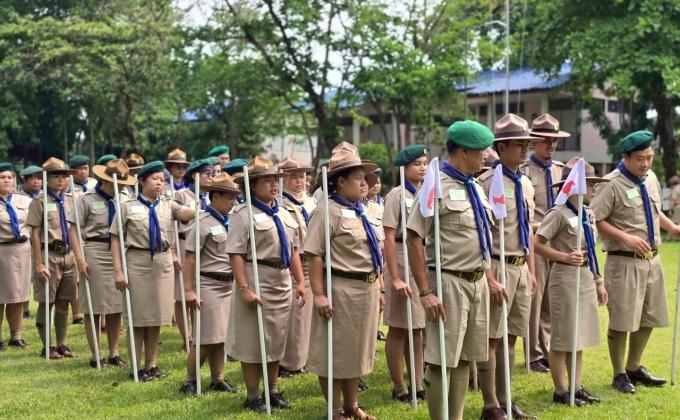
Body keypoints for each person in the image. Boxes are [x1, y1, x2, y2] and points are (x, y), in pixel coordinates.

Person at [406, 121, 496, 420]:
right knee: (441, 359)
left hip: (477, 282)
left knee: (465, 358)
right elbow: (414, 237)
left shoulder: (476, 187)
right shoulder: (436, 186)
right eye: (481, 150)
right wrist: (425, 292)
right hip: (449, 282)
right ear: (464, 151)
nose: (486, 155)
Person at [590, 130, 680, 393]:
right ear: (625, 157)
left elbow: (655, 211)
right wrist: (625, 238)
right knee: (622, 320)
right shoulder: (611, 184)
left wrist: (672, 227)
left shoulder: (650, 178)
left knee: (649, 317)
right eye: (640, 159)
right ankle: (619, 373)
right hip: (624, 261)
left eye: (649, 158)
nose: (645, 164)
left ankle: (633, 366)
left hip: (653, 260)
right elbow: (595, 219)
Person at [304, 147, 383, 420]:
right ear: (340, 181)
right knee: (334, 351)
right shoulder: (328, 211)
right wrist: (319, 294)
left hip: (366, 288)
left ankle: (352, 405)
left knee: (356, 351)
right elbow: (314, 254)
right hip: (340, 288)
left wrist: (379, 287)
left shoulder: (364, 211)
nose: (365, 183)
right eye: (359, 178)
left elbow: (374, 252)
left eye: (365, 178)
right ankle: (335, 409)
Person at [226, 156, 306, 413]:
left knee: (277, 340)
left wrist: (300, 281)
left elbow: (294, 250)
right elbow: (236, 254)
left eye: (275, 180)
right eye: (267, 181)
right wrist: (244, 288)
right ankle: (253, 395)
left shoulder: (283, 212)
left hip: (281, 280)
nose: (274, 185)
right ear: (253, 185)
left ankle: (272, 390)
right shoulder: (243, 214)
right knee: (253, 340)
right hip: (256, 277)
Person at [477, 114, 540, 420]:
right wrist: (489, 277)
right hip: (497, 264)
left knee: (511, 336)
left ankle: (507, 400)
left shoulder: (525, 183)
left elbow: (528, 229)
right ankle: (490, 405)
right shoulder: (487, 183)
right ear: (501, 148)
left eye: (527, 144)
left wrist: (531, 270)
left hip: (520, 266)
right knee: (492, 338)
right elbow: (480, 233)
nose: (525, 149)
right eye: (519, 144)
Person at [109, 161, 195, 381]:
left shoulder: (168, 204)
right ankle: (135, 366)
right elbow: (116, 239)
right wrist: (118, 271)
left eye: (162, 180)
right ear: (142, 181)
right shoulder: (127, 206)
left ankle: (151, 364)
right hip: (137, 262)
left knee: (156, 317)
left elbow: (185, 213)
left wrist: (199, 206)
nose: (159, 183)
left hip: (162, 263)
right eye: (155, 179)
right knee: (138, 318)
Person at [534, 158, 608, 405]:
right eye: (590, 184)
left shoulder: (588, 213)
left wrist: (598, 281)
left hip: (585, 276)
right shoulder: (558, 213)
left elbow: (592, 251)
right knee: (563, 337)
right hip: (564, 277)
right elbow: (537, 244)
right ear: (576, 186)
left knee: (578, 335)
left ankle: (576, 387)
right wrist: (563, 256)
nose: (594, 188)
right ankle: (560, 390)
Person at [69, 159, 137, 369]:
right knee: (95, 306)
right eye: (118, 183)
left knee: (116, 306)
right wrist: (80, 259)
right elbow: (74, 229)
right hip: (95, 252)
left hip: (119, 253)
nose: (122, 187)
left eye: (124, 184)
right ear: (105, 180)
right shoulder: (86, 199)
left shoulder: (125, 198)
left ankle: (114, 352)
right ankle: (95, 354)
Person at [180, 173, 241, 395]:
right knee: (206, 337)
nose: (233, 202)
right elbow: (190, 257)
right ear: (215, 197)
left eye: (235, 197)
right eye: (229, 197)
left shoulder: (232, 220)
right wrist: (189, 290)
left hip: (228, 285)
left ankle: (218, 378)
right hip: (209, 283)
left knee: (222, 337)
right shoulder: (202, 222)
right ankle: (190, 379)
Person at [521, 114, 567, 373]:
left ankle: (546, 348)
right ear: (533, 142)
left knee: (551, 299)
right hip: (536, 242)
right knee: (534, 300)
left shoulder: (560, 170)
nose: (551, 145)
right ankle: (533, 354)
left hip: (556, 243)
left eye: (554, 141)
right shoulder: (525, 172)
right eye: (546, 141)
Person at [382, 144, 428, 403]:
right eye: (416, 164)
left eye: (425, 163)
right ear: (405, 167)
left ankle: (417, 383)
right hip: (400, 256)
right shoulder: (396, 196)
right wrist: (395, 277)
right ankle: (399, 386)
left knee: (418, 328)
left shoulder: (426, 193)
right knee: (399, 328)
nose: (422, 168)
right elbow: (388, 238)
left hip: (420, 256)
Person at [26, 158, 79, 360]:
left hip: (68, 255)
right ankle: (47, 345)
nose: (61, 180)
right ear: (46, 179)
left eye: (64, 176)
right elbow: (35, 234)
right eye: (56, 176)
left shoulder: (71, 200)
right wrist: (39, 263)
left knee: (64, 302)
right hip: (49, 255)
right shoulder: (39, 202)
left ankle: (61, 343)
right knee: (46, 302)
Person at [278, 156, 316, 377]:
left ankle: (305, 357)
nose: (299, 181)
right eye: (293, 177)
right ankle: (289, 362)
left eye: (302, 176)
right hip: (293, 262)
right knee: (294, 314)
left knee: (308, 316)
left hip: (313, 261)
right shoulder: (280, 204)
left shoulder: (310, 202)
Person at [172, 159, 214, 349]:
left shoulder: (211, 196)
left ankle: (199, 333)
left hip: (206, 248)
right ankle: (186, 337)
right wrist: (173, 251)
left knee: (199, 290)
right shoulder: (181, 194)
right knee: (182, 293)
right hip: (184, 244)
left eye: (212, 174)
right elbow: (172, 224)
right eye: (207, 174)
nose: (211, 177)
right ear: (195, 175)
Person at [0, 163, 32, 351]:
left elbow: (33, 224)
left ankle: (16, 336)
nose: (6, 180)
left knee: (19, 295)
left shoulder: (24, 201)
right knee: (0, 297)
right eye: (2, 177)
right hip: (2, 251)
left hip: (22, 251)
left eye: (9, 177)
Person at [17, 165, 42, 320]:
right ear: (25, 180)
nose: (37, 182)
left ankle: (43, 308)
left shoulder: (45, 196)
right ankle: (24, 310)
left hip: (41, 242)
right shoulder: (17, 197)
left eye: (39, 178)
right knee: (24, 277)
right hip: (25, 242)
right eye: (33, 179)